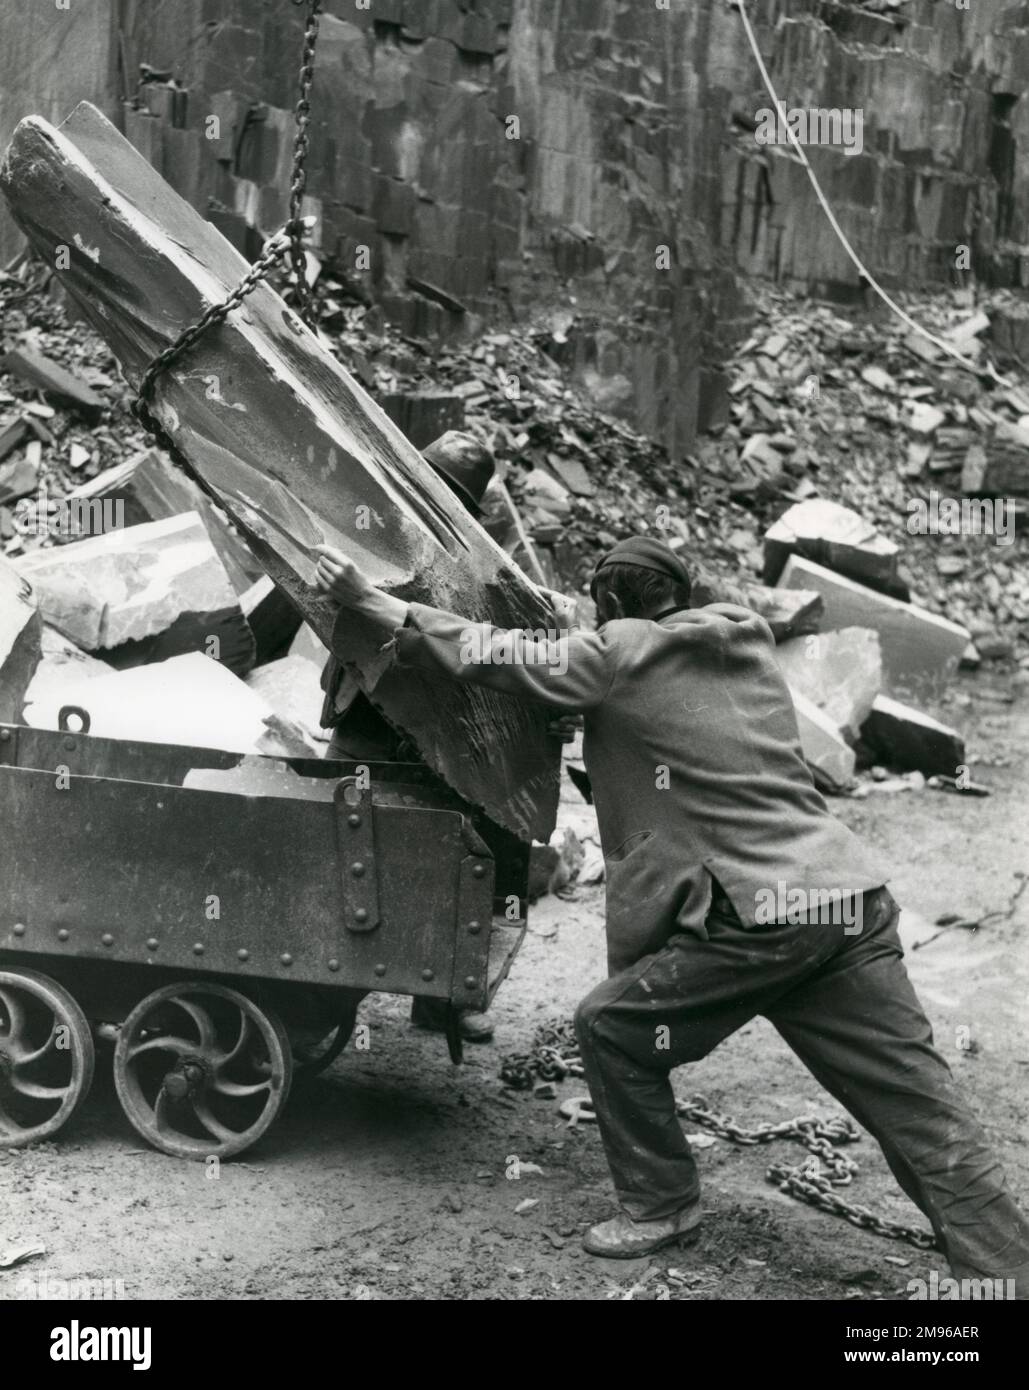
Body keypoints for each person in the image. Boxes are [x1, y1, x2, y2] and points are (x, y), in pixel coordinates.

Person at [313, 533, 1029, 1289]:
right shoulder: (739, 642)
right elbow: (669, 749)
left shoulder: (620, 654)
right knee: (912, 1099)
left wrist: (373, 602)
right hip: (844, 900)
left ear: (616, 607)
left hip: (762, 919)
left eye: (601, 613)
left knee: (612, 1028)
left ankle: (662, 1202)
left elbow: (494, 653)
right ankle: (1000, 1268)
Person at [319, 430, 498, 1043]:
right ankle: (322, 999)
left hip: (426, 732)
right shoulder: (367, 527)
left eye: (451, 496)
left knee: (447, 858)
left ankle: (439, 1000)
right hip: (363, 722)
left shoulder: (469, 560)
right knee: (339, 851)